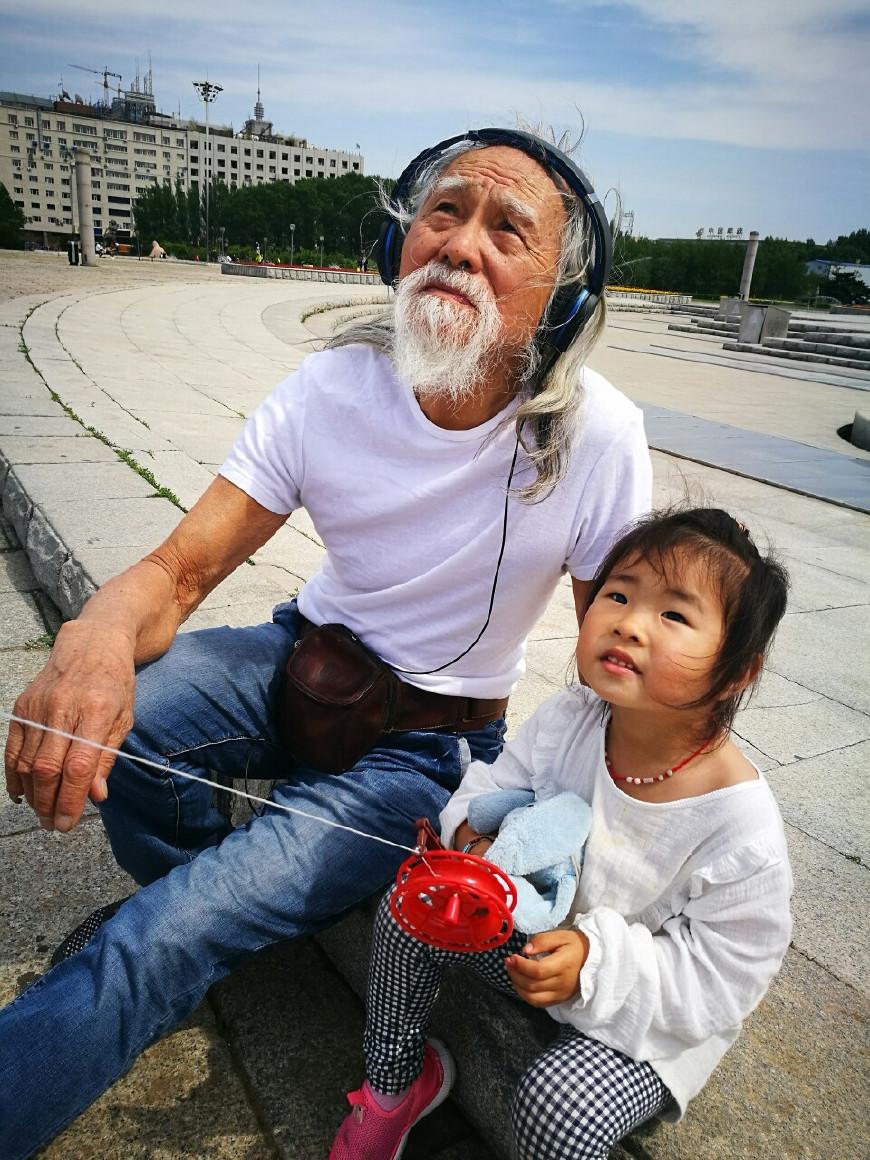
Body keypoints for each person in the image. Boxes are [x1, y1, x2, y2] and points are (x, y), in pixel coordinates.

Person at [1, 127, 652, 1158]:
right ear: (395, 239)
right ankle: (231, 897)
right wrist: (96, 634)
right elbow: (179, 570)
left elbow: (615, 666)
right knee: (128, 740)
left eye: (507, 229)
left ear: (561, 300)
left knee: (157, 939)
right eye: (444, 210)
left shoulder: (597, 438)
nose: (461, 241)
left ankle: (195, 926)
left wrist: (604, 859)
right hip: (295, 658)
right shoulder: (328, 389)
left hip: (428, 750)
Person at [329, 507, 793, 1160]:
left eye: (675, 615)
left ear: (738, 669)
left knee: (559, 1103)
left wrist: (594, 965)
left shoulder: (738, 827)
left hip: (646, 1017)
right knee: (412, 909)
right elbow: (497, 783)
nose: (629, 622)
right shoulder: (573, 717)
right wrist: (469, 838)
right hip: (531, 943)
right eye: (619, 594)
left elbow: (721, 982)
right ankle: (395, 1083)